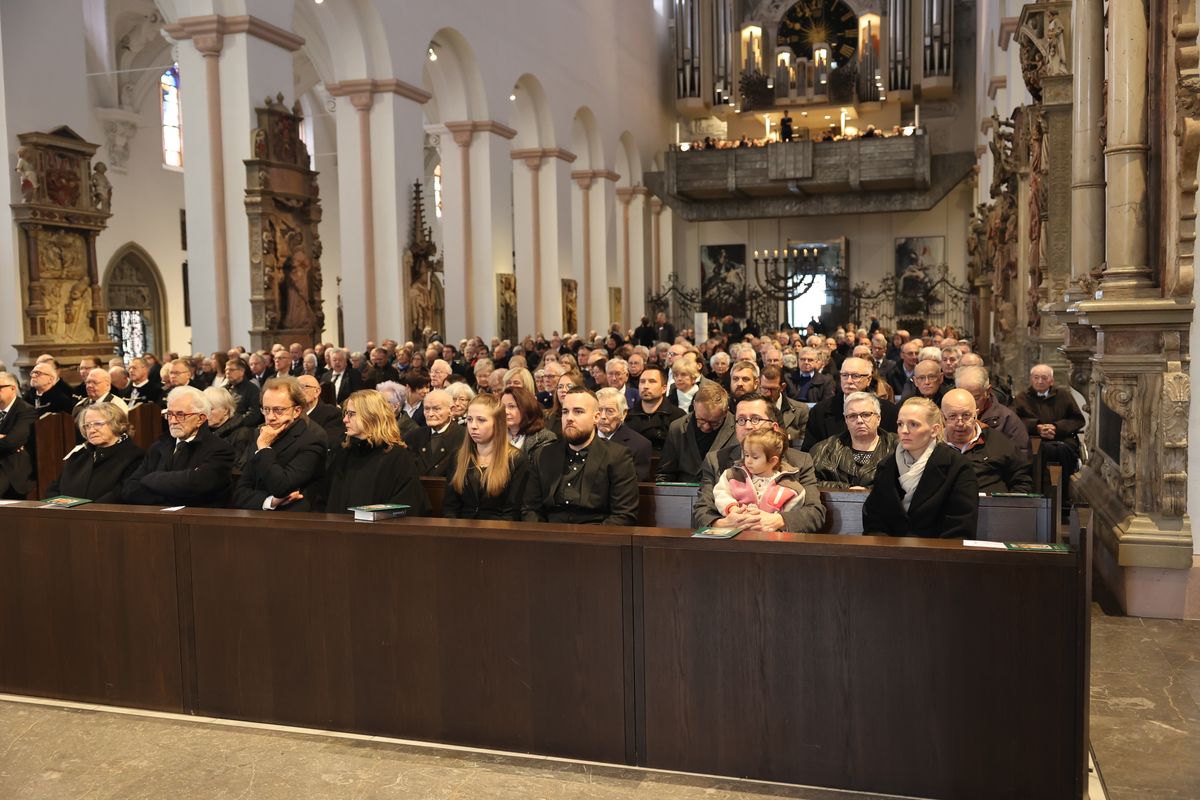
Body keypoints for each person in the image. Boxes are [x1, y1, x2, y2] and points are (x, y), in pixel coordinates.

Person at [693, 392, 825, 532]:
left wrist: (778, 520)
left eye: (755, 419)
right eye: (741, 420)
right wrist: (723, 523)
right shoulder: (716, 460)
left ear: (774, 427)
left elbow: (815, 513)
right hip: (730, 543)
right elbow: (702, 510)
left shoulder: (800, 461)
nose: (748, 426)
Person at [862, 397, 979, 538]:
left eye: (913, 424)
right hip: (890, 552)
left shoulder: (957, 466)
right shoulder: (887, 465)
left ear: (934, 430)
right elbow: (874, 518)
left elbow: (960, 527)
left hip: (936, 554)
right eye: (900, 424)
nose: (904, 430)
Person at [521, 388, 639, 525]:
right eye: (565, 412)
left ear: (596, 417)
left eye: (578, 411)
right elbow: (530, 509)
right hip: (549, 536)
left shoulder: (617, 456)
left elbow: (624, 515)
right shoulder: (543, 454)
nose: (569, 418)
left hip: (597, 538)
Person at [121, 386, 235, 507]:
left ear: (200, 419)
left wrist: (152, 478)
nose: (173, 421)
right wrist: (168, 497)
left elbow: (196, 486)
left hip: (196, 521)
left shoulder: (219, 449)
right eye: (170, 414)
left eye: (181, 415)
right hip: (155, 519)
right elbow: (130, 489)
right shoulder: (159, 446)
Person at [229, 377, 327, 512]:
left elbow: (280, 487)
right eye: (266, 409)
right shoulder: (260, 435)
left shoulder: (311, 442)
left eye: (278, 410)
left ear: (297, 411)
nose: (270, 417)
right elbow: (239, 494)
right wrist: (270, 501)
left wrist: (263, 448)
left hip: (293, 522)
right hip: (256, 520)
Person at [322, 389, 428, 514]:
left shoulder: (397, 457)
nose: (345, 419)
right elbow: (326, 497)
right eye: (345, 413)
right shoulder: (344, 452)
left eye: (351, 414)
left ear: (371, 416)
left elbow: (406, 504)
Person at [443, 394, 529, 520]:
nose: (473, 426)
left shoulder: (516, 459)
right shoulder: (457, 457)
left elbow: (512, 512)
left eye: (481, 420)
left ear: (498, 423)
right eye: (470, 419)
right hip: (462, 530)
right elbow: (450, 507)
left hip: (498, 531)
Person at [1013, 364, 1085, 513]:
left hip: (1062, 440)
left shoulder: (1063, 396)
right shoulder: (1022, 398)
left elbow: (1078, 420)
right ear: (1031, 380)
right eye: (1036, 378)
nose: (1040, 381)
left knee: (1059, 451)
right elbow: (1015, 420)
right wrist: (1036, 427)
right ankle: (1036, 496)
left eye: (1044, 378)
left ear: (1051, 381)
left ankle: (1061, 497)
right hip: (1034, 441)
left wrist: (1056, 428)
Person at [46, 402, 144, 503]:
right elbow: (53, 489)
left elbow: (120, 495)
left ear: (117, 423)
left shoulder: (134, 457)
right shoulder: (79, 455)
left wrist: (85, 510)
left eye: (98, 424)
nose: (91, 430)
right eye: (87, 426)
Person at [941, 388, 1033, 493]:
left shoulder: (999, 442)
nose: (960, 423)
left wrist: (1009, 506)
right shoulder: (933, 446)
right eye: (952, 416)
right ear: (943, 418)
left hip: (992, 507)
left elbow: (1022, 481)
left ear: (976, 415)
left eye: (966, 415)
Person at [802, 357, 899, 450]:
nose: (849, 381)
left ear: (868, 380)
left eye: (855, 376)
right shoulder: (820, 411)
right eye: (844, 375)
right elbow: (810, 451)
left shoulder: (889, 411)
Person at [712, 428, 807, 522]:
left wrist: (774, 518)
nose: (748, 461)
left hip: (771, 534)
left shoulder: (789, 487)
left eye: (755, 457)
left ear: (773, 461)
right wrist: (731, 508)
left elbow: (792, 512)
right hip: (737, 530)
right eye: (746, 455)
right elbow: (721, 493)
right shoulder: (732, 475)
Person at [809, 391, 898, 489]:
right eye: (852, 416)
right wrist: (847, 489)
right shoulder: (824, 449)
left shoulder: (897, 446)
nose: (859, 420)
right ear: (846, 420)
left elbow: (905, 484)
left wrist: (869, 490)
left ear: (878, 418)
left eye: (866, 415)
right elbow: (811, 483)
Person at [656, 381, 736, 483]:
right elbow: (665, 474)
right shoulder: (677, 428)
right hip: (685, 494)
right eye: (701, 420)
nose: (706, 427)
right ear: (694, 405)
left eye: (714, 422)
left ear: (725, 411)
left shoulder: (738, 428)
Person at [955, 365, 1029, 456]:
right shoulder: (948, 417)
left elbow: (1021, 457)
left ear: (988, 391)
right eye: (965, 397)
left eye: (976, 397)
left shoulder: (1007, 419)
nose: (970, 403)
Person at [403, 388, 466, 476]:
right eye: (427, 409)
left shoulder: (464, 437)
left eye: (436, 409)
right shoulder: (413, 437)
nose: (430, 414)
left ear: (451, 410)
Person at [595, 387, 653, 481]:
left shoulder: (640, 445)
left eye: (609, 411)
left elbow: (634, 485)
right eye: (599, 410)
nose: (602, 417)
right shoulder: (584, 437)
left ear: (624, 414)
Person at [625, 365, 685, 452]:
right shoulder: (628, 416)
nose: (645, 386)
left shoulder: (677, 416)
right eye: (642, 382)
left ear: (664, 388)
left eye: (652, 381)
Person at [0, 372, 38, 498]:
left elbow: (13, 441)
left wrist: (7, 439)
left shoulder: (25, 410)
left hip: (12, 465)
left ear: (13, 388)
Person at [204, 386, 255, 475]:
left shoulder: (243, 434)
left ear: (225, 410)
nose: (206, 414)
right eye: (204, 409)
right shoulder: (205, 432)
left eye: (211, 409)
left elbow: (237, 470)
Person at [501, 386, 557, 460]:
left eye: (511, 406)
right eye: (502, 407)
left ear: (526, 408)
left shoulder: (544, 438)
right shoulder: (496, 436)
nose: (506, 412)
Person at [759, 365, 808, 445]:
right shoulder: (750, 408)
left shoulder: (800, 410)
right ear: (759, 384)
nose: (768, 394)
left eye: (773, 389)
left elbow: (803, 443)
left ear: (782, 387)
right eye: (764, 388)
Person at [298, 374, 344, 444]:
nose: (297, 392)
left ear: (317, 391)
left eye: (303, 387)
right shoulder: (290, 414)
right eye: (294, 388)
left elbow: (327, 443)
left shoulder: (333, 414)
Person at [222, 357, 262, 426]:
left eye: (231, 370)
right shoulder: (224, 389)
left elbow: (254, 415)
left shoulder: (252, 389)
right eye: (226, 370)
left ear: (242, 371)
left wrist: (233, 423)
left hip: (242, 429)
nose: (227, 372)